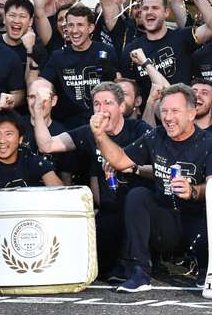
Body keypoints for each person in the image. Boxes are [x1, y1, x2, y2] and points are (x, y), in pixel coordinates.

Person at [90, 84, 212, 292]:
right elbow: (119, 160)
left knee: (209, 218)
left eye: (175, 111)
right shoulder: (155, 137)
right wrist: (100, 136)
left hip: (197, 223)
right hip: (165, 223)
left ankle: (207, 267)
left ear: (192, 113)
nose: (168, 117)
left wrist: (193, 191)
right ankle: (140, 273)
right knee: (138, 195)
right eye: (164, 111)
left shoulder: (211, 144)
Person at [30, 80, 151, 276]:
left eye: (108, 103)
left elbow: (159, 168)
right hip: (108, 212)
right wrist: (37, 111)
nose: (102, 109)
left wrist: (134, 168)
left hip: (138, 213)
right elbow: (47, 145)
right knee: (99, 269)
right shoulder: (89, 132)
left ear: (121, 107)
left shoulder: (139, 130)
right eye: (97, 104)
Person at [119, 0, 212, 99]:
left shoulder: (183, 36)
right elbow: (130, 92)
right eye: (145, 9)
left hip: (183, 110)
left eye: (155, 8)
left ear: (166, 12)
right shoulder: (131, 50)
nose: (149, 12)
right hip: (149, 113)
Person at [36, 5, 118, 127]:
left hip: (102, 120)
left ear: (90, 28)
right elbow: (42, 83)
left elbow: (118, 83)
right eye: (70, 25)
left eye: (80, 25)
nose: (74, 30)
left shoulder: (106, 51)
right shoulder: (58, 56)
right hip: (67, 125)